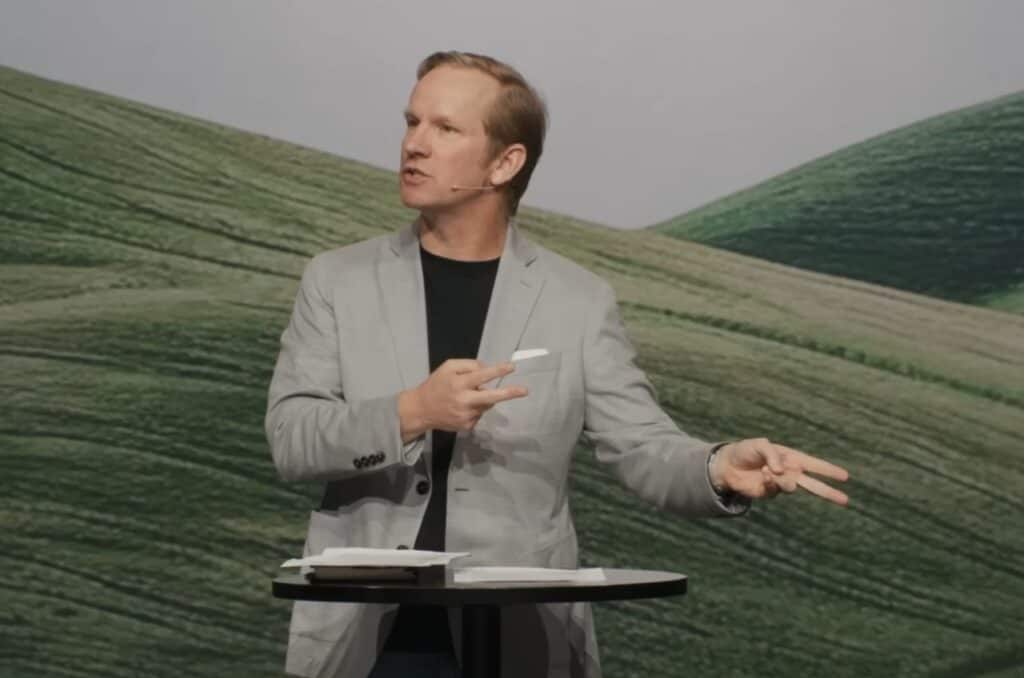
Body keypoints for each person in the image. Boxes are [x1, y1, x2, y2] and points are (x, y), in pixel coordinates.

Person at [264, 50, 850, 678]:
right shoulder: (338, 280)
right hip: (366, 637)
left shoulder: (578, 300)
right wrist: (412, 412)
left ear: (505, 162)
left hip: (521, 636)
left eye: (446, 129)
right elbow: (292, 440)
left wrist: (719, 469)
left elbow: (642, 446)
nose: (415, 144)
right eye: (412, 122)